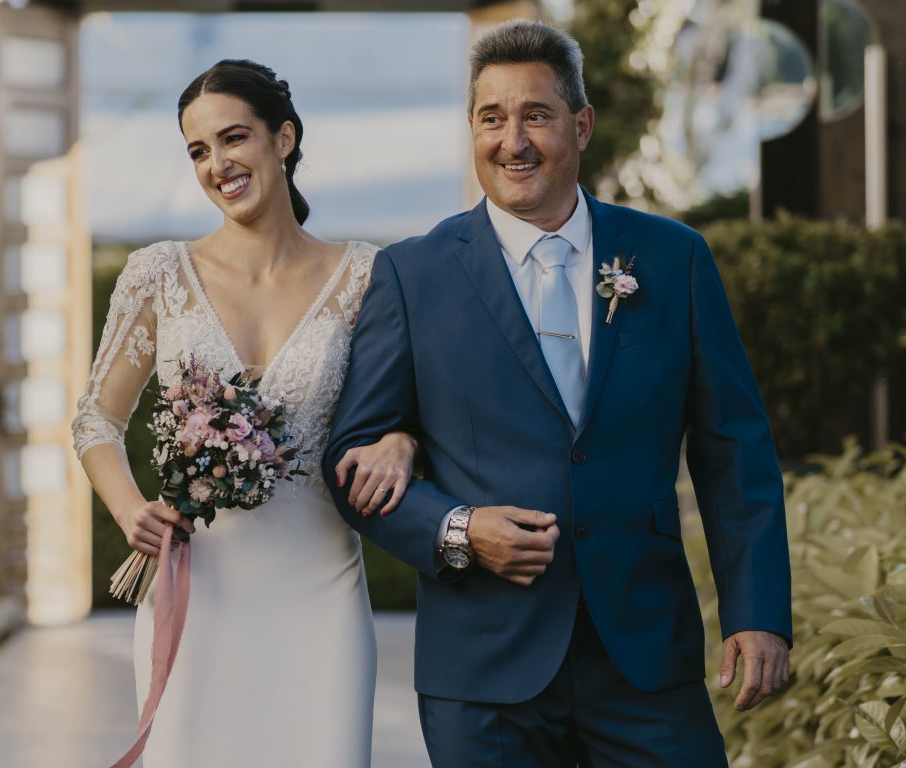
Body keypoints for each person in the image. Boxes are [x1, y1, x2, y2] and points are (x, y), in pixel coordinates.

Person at [324, 19, 792, 767]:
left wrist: (759, 613)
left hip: (643, 656)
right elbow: (350, 459)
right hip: (483, 667)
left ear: (581, 125)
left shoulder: (674, 260)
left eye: (535, 116)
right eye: (491, 118)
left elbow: (734, 449)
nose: (513, 140)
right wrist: (457, 530)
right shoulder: (412, 276)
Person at [71, 59, 415, 767]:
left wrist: (403, 439)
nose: (218, 164)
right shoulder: (158, 274)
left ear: (283, 138)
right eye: (198, 150)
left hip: (322, 593)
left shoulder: (366, 276)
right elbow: (95, 420)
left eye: (234, 138)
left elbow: (413, 405)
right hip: (198, 596)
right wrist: (128, 506)